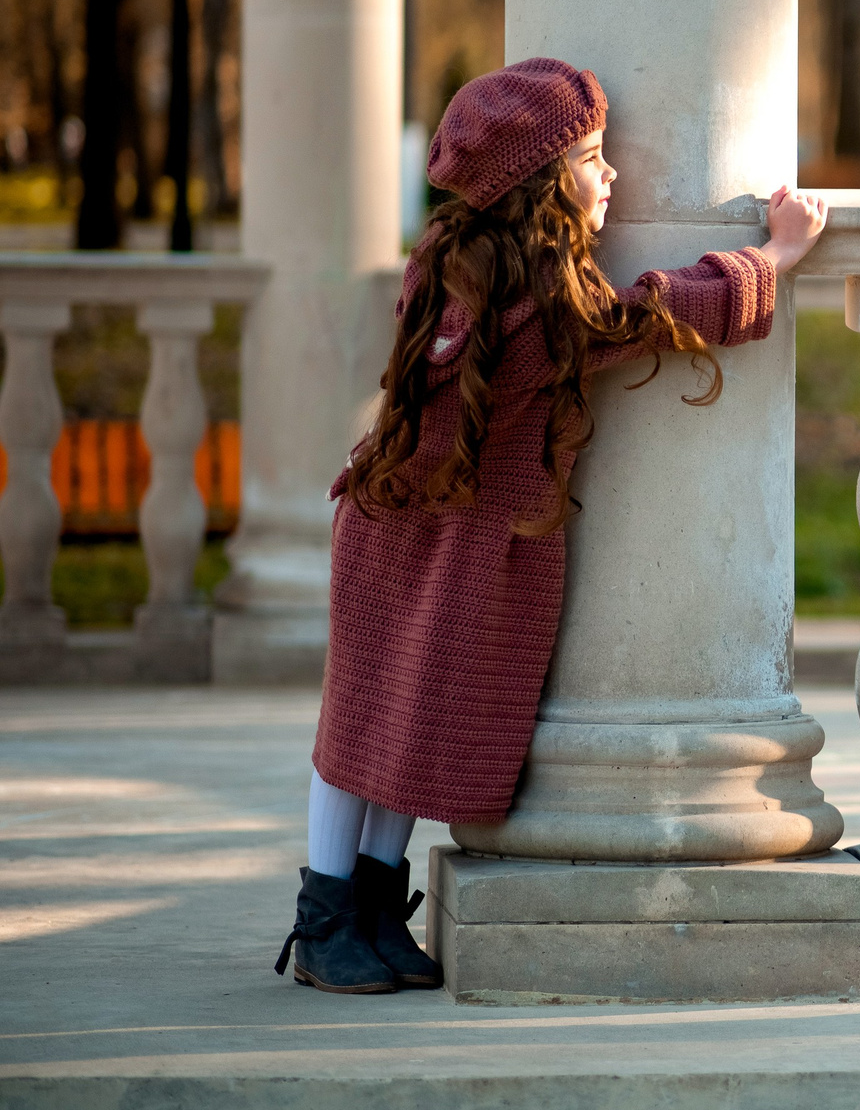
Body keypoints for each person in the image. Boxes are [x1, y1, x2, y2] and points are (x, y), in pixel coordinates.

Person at [275, 57, 827, 994]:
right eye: (593, 157)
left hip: (422, 525)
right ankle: (326, 915)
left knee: (414, 724)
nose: (612, 175)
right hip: (417, 530)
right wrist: (772, 257)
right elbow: (651, 313)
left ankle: (369, 908)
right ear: (538, 184)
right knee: (367, 725)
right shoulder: (541, 305)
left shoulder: (463, 260)